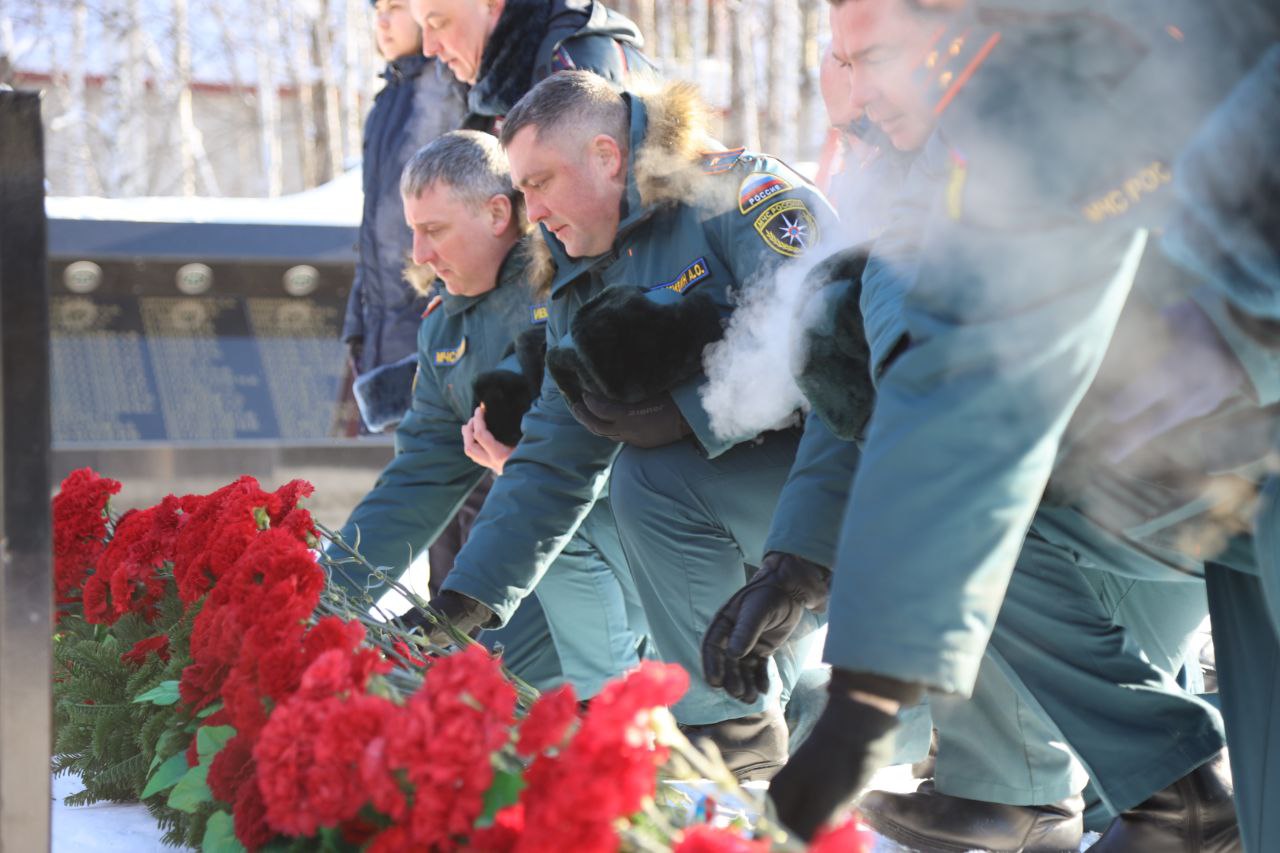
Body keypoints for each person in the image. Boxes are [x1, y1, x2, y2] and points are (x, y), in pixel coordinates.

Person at [754, 1, 1280, 849]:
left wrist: (1240, 322)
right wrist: (866, 697)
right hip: (1231, 483)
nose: (858, 98)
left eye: (874, 56)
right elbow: (968, 375)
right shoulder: (1017, 106)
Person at [417, 71, 837, 779]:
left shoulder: (735, 196)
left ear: (607, 157)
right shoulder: (580, 271)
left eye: (541, 182)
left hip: (850, 498)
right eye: (521, 190)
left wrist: (692, 413)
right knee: (605, 495)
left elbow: (832, 342)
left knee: (651, 473)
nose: (531, 211)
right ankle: (729, 723)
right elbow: (553, 457)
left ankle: (730, 725)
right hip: (745, 530)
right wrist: (467, 598)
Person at [330, 130, 646, 698]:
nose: (420, 255)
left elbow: (593, 455)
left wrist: (516, 466)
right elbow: (417, 479)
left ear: (498, 213)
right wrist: (324, 597)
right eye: (413, 232)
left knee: (480, 693)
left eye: (435, 230)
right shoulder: (442, 327)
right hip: (533, 559)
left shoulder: (571, 283)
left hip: (628, 546)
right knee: (443, 683)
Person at [343, 0, 468, 433]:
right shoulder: (386, 101)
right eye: (376, 9)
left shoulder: (451, 86)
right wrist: (357, 323)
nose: (382, 20)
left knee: (436, 449)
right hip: (381, 328)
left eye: (395, 7)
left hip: (432, 317)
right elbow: (374, 224)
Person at [408, 0, 657, 130]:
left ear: (492, 3)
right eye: (421, 29)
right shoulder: (475, 80)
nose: (428, 48)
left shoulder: (573, 67)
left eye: (438, 24)